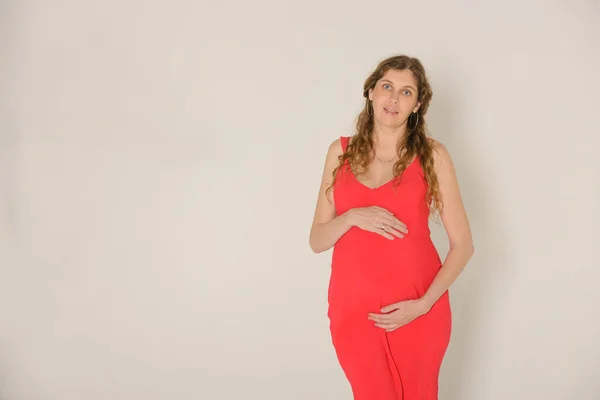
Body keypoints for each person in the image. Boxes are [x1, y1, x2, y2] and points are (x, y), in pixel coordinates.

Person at [308, 55, 475, 400]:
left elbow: (463, 246)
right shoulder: (340, 153)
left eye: (406, 92)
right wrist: (353, 216)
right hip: (354, 313)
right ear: (370, 92)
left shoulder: (434, 156)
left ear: (417, 106)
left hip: (418, 312)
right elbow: (317, 240)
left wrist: (424, 304)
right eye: (387, 87)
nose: (393, 99)